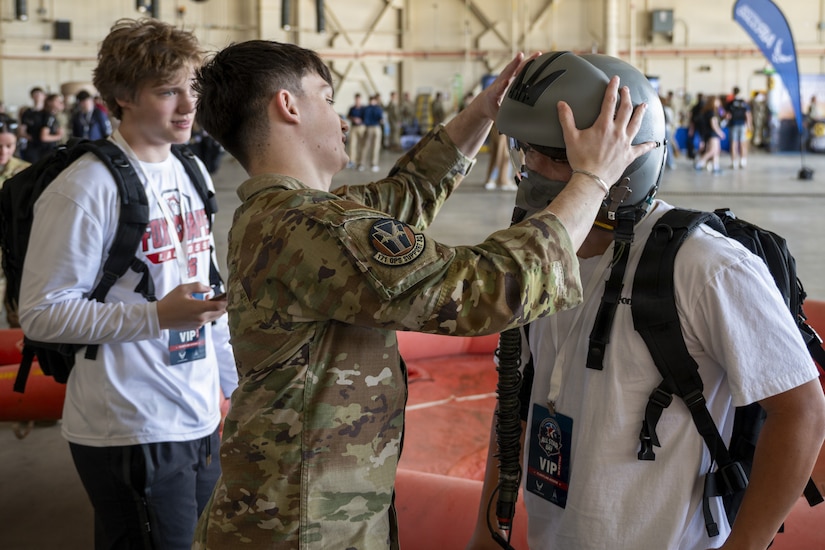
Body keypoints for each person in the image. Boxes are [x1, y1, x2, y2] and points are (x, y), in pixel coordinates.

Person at [191, 40, 653, 547]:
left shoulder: (285, 215)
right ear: (288, 105)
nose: (340, 118)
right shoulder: (309, 226)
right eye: (327, 98)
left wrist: (484, 111)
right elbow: (482, 290)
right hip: (303, 529)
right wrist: (591, 178)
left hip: (300, 514)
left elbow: (405, 194)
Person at [467, 52, 825, 550]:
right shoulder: (540, 261)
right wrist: (488, 535)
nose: (530, 167)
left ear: (623, 160)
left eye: (552, 153)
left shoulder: (705, 266)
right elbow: (516, 404)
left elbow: (802, 411)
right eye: (524, 149)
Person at [18, 18, 238, 549]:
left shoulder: (193, 172)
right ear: (121, 97)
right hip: (129, 426)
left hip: (198, 414)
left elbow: (204, 291)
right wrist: (157, 317)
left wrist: (231, 382)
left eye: (193, 88)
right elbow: (42, 313)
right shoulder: (86, 187)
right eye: (168, 91)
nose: (189, 105)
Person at [0, 122, 30, 327]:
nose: (4, 151)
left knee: (17, 309)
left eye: (9, 146)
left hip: (14, 250)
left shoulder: (25, 172)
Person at [26, 92, 65, 162]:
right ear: (49, 102)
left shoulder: (45, 114)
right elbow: (44, 137)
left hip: (36, 152)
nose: (60, 103)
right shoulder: (48, 116)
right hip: (42, 153)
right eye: (57, 100)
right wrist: (59, 136)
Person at [695, 95, 725, 174]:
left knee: (716, 151)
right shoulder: (711, 112)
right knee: (712, 150)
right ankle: (700, 162)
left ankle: (715, 166)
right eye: (717, 101)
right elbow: (713, 125)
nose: (719, 103)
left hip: (712, 134)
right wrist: (720, 132)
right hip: (712, 134)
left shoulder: (713, 112)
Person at [726, 86, 752, 169]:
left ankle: (734, 162)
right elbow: (748, 115)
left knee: (734, 143)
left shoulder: (731, 103)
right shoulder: (744, 103)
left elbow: (727, 115)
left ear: (733, 92)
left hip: (733, 124)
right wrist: (749, 126)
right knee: (743, 143)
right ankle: (743, 161)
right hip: (742, 125)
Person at [360, 93, 384, 172]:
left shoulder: (368, 108)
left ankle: (371, 164)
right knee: (366, 146)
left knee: (374, 147)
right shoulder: (374, 108)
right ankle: (363, 163)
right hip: (371, 127)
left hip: (374, 127)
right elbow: (381, 119)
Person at [347, 92, 366, 169]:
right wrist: (353, 119)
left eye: (358, 99)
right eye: (356, 99)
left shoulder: (363, 109)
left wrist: (361, 120)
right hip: (354, 127)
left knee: (361, 145)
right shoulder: (352, 108)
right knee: (352, 144)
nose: (357, 100)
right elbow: (348, 116)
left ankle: (360, 162)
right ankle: (352, 161)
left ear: (360, 100)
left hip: (362, 127)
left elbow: (367, 117)